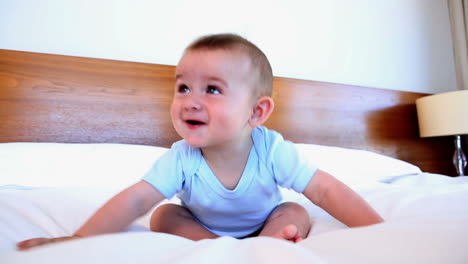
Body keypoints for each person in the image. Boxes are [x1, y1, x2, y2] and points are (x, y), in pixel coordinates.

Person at [17, 33, 383, 250]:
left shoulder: (273, 151)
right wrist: (76, 239)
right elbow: (136, 199)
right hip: (201, 226)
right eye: (182, 87)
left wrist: (381, 231)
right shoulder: (181, 158)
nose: (191, 99)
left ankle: (267, 243)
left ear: (257, 112)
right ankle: (211, 245)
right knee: (162, 213)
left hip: (262, 221)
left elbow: (326, 191)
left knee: (295, 210)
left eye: (212, 89)